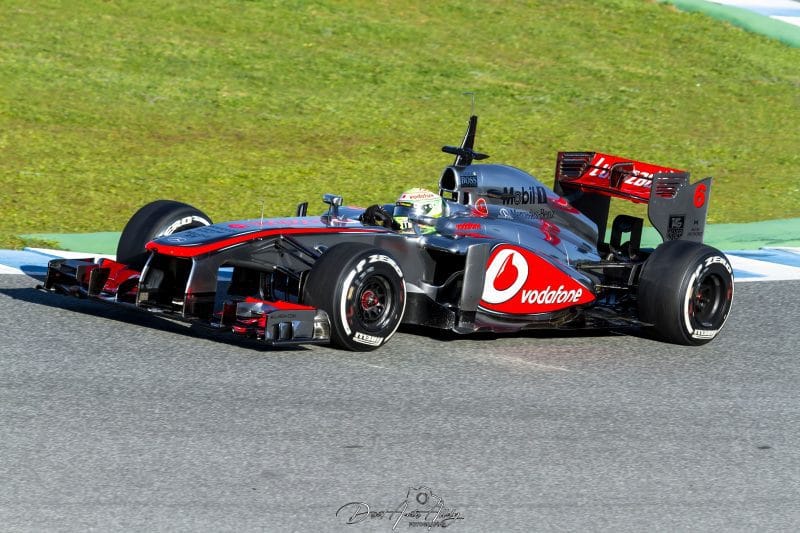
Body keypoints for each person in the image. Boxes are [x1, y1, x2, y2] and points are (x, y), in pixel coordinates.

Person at [360, 188, 444, 234]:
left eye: (407, 211)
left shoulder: (434, 233)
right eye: (400, 210)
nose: (401, 216)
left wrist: (389, 224)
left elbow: (410, 233)